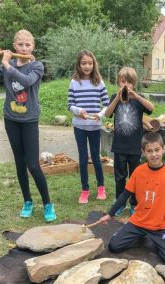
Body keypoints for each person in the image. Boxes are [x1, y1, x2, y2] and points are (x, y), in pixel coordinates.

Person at [0, 29, 56, 222]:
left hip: (29, 120)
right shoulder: (9, 64)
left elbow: (27, 81)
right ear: (14, 46)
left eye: (28, 44)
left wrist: (5, 63)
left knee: (33, 164)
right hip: (11, 119)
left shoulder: (37, 66)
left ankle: (47, 203)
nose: (24, 48)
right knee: (20, 163)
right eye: (20, 44)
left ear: (33, 46)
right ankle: (27, 201)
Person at [97, 132, 165, 264]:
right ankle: (141, 234)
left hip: (159, 226)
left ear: (164, 149)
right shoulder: (139, 171)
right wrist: (110, 214)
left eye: (157, 150)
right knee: (114, 246)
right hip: (138, 222)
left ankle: (159, 239)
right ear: (143, 152)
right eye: (149, 151)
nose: (154, 154)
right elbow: (125, 195)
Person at [105, 67, 154, 216]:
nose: (126, 85)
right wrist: (116, 99)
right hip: (119, 146)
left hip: (135, 147)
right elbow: (107, 114)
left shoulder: (139, 99)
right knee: (119, 177)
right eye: (123, 81)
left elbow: (151, 108)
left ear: (134, 84)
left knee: (135, 177)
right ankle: (120, 203)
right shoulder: (116, 97)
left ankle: (134, 203)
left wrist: (137, 97)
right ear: (118, 82)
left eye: (129, 82)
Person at [68, 50, 110, 204]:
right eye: (83, 63)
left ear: (94, 64)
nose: (87, 66)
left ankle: (101, 187)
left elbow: (107, 105)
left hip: (94, 125)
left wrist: (101, 114)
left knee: (96, 157)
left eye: (90, 63)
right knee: (83, 158)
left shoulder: (99, 82)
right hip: (79, 125)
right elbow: (70, 105)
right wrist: (78, 111)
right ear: (79, 65)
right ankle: (85, 190)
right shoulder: (74, 82)